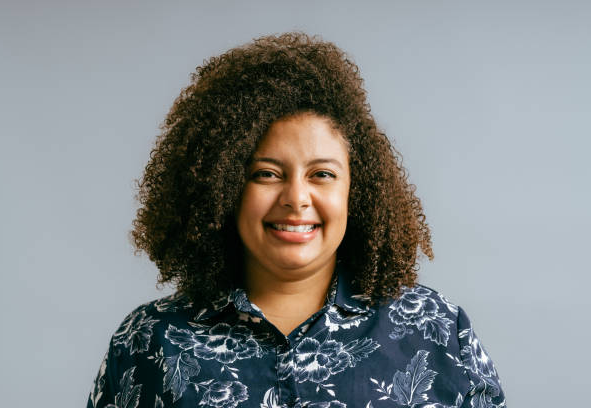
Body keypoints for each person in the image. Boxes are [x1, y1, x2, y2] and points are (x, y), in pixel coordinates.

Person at [86, 32, 506, 408]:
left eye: (321, 174)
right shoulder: (150, 340)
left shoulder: (436, 330)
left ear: (355, 192)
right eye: (266, 174)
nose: (296, 199)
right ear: (224, 187)